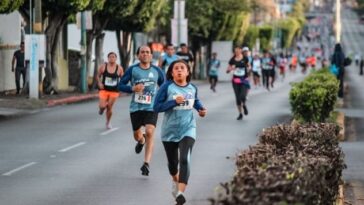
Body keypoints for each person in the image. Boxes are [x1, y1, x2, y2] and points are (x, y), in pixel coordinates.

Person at [153, 59, 207, 205]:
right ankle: (174, 180)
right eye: (176, 68)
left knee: (184, 159)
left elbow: (195, 101)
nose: (179, 70)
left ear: (187, 72)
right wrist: (173, 102)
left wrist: (201, 109)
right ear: (171, 72)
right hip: (169, 131)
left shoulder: (192, 88)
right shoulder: (166, 87)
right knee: (173, 164)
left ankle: (181, 193)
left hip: (188, 128)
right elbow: (156, 107)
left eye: (182, 68)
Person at [119, 45, 165, 176]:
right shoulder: (132, 70)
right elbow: (120, 85)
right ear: (138, 55)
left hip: (151, 107)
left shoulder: (157, 70)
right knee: (138, 135)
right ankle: (141, 141)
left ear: (151, 55)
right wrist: (132, 88)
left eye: (147, 52)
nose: (145, 54)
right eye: (142, 52)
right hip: (136, 107)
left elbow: (164, 85)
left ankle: (146, 163)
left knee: (150, 131)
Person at [96, 52, 124, 129]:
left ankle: (108, 122)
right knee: (102, 106)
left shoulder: (119, 68)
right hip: (104, 90)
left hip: (114, 91)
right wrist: (99, 83)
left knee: (109, 107)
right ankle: (101, 109)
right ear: (108, 58)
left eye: (113, 57)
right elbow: (98, 76)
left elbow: (123, 78)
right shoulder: (103, 67)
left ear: (116, 58)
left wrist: (121, 86)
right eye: (110, 57)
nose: (112, 58)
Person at [226, 45, 250, 120]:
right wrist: (230, 69)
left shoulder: (245, 58)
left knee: (242, 96)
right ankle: (240, 113)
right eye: (235, 51)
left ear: (240, 50)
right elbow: (227, 70)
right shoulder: (232, 59)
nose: (236, 52)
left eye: (237, 51)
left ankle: (244, 105)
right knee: (237, 98)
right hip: (235, 80)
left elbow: (249, 66)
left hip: (244, 80)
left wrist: (248, 69)